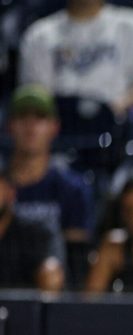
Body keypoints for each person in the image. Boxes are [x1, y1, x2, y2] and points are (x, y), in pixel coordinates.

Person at [18, 0, 133, 117]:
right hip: (58, 126)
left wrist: (120, 106)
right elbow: (35, 92)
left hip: (117, 122)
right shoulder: (39, 34)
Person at [2, 85, 94, 245]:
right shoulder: (1, 187)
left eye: (40, 116)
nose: (31, 125)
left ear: (54, 127)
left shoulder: (72, 190)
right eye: (23, 116)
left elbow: (76, 258)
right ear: (9, 126)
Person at [0, 176, 64, 292]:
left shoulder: (34, 231)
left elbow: (52, 269)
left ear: (10, 193)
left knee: (51, 272)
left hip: (24, 306)